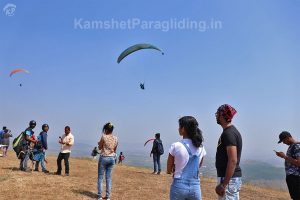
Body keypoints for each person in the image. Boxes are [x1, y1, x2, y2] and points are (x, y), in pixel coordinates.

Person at [167, 116, 205, 200]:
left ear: (183, 129)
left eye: (179, 126)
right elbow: (199, 165)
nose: (178, 129)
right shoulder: (201, 147)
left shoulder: (176, 145)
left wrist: (172, 170)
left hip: (179, 187)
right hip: (195, 187)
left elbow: (169, 169)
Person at [215, 104, 242, 200]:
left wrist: (224, 184)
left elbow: (233, 160)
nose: (216, 116)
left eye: (217, 113)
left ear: (222, 115)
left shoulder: (228, 133)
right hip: (230, 179)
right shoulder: (230, 132)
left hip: (228, 180)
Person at [275, 131, 300, 200]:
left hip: (295, 177)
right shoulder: (292, 146)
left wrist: (284, 157)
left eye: (283, 140)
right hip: (292, 177)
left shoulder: (296, 146)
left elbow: (298, 163)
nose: (283, 142)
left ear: (288, 138)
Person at [97, 122, 118, 200]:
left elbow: (99, 148)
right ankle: (108, 196)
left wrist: (99, 144)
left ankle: (99, 196)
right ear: (112, 129)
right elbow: (115, 150)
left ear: (106, 129)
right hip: (112, 158)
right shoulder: (116, 138)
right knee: (108, 178)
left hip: (104, 158)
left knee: (100, 177)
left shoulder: (103, 136)